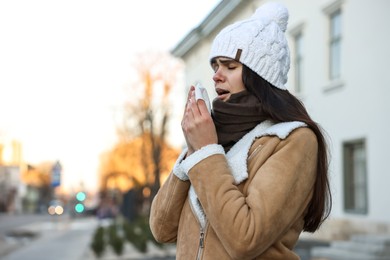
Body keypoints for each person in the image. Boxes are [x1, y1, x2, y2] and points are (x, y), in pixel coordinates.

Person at [149, 2, 332, 259]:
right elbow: (161, 229)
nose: (216, 76)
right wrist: (192, 151)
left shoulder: (293, 140)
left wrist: (204, 152)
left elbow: (245, 239)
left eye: (230, 66)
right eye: (215, 67)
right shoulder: (212, 139)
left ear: (259, 76)